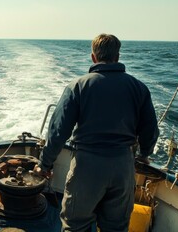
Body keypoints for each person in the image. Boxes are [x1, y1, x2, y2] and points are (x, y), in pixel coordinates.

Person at [34, 34, 159, 232]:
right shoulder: (139, 88)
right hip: (122, 168)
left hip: (87, 167)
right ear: (117, 56)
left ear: (93, 57)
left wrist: (45, 164)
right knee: (116, 228)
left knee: (75, 225)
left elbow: (58, 131)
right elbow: (150, 129)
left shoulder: (78, 86)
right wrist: (144, 154)